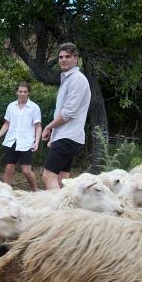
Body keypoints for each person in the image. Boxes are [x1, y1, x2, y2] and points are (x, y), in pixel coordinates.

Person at [41, 42, 91, 190]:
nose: (63, 59)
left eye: (67, 56)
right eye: (60, 57)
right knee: (63, 180)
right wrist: (54, 134)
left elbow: (69, 112)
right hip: (66, 136)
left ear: (76, 58)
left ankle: (59, 212)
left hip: (68, 137)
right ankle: (69, 210)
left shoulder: (77, 79)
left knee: (48, 176)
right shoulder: (69, 79)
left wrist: (49, 127)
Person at [0, 81, 42, 191]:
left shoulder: (34, 108)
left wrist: (36, 142)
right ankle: (6, 193)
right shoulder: (11, 106)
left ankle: (35, 190)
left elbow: (38, 126)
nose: (22, 94)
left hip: (26, 142)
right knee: (9, 168)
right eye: (20, 91)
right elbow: (7, 123)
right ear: (16, 92)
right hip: (11, 141)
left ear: (28, 93)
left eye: (25, 92)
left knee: (26, 170)